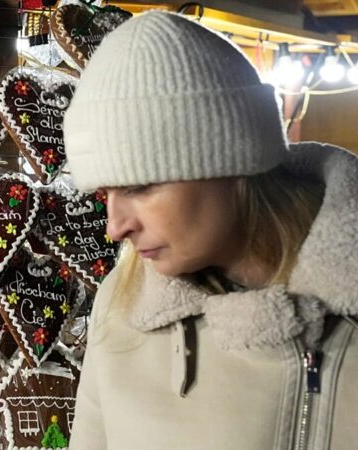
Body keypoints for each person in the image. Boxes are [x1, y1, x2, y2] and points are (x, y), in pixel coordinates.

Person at [64, 11, 358, 450]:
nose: (114, 227)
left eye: (138, 187)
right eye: (105, 193)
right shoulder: (120, 307)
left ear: (233, 157)